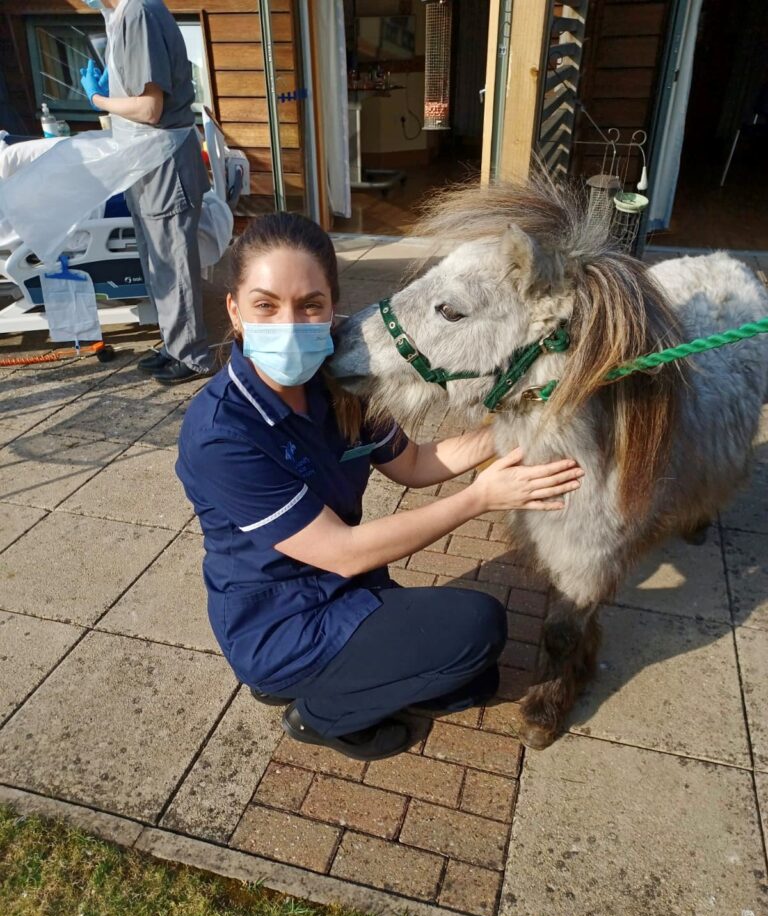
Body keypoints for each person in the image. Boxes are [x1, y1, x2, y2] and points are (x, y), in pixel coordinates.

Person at [176, 213, 584, 761]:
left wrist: (527, 417)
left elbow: (414, 463)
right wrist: (481, 497)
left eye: (310, 305)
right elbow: (341, 553)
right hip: (282, 621)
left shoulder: (336, 384)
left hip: (348, 590)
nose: (291, 324)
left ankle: (330, 678)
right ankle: (318, 716)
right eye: (266, 305)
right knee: (480, 628)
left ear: (332, 306)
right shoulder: (222, 433)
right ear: (236, 311)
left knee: (475, 681)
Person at [79, 0, 212, 385]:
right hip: (147, 160)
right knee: (157, 261)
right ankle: (174, 344)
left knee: (173, 262)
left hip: (165, 162)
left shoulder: (138, 12)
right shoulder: (121, 15)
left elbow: (151, 108)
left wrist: (97, 99)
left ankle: (193, 355)